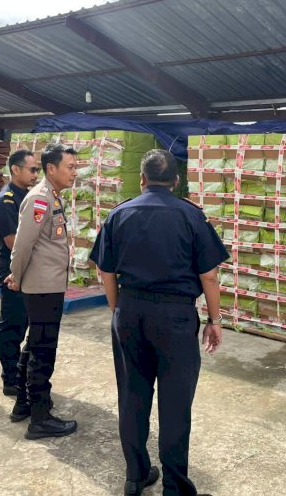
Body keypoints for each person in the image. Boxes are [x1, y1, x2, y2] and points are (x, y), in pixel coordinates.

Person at [92, 149, 229, 496]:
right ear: (177, 181)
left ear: (142, 179)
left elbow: (105, 271)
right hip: (175, 317)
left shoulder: (119, 214)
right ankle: (174, 487)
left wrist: (118, 310)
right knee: (175, 403)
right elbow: (209, 276)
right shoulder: (191, 215)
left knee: (132, 396)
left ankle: (136, 476)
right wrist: (214, 320)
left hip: (130, 310)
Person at [5, 143, 78, 439]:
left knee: (34, 344)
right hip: (43, 287)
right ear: (51, 168)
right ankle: (40, 417)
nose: (74, 173)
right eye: (70, 167)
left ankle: (23, 403)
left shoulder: (52, 196)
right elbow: (23, 245)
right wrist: (16, 275)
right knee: (43, 350)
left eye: (75, 167)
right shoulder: (39, 199)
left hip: (47, 283)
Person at [0, 149, 39, 396]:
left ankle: (20, 373)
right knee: (13, 324)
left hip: (30, 267)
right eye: (32, 169)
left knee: (27, 322)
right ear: (15, 169)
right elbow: (13, 242)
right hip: (13, 268)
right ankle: (10, 378)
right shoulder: (6, 200)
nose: (36, 174)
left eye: (38, 170)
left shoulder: (29, 195)